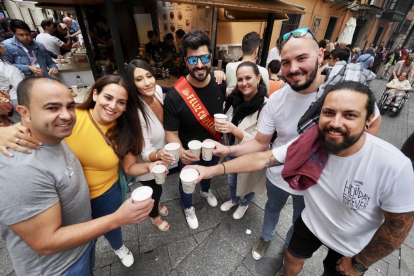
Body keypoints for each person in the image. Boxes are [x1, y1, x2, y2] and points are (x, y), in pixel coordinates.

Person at [187, 81, 414, 276]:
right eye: (328, 112)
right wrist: (211, 171)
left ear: (368, 119)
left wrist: (361, 262)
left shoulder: (394, 166)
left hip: (351, 244)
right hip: (311, 223)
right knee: (292, 259)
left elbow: (398, 227)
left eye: (350, 115)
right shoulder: (311, 143)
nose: (335, 122)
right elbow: (262, 159)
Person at [202, 27, 381, 261]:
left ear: (320, 56)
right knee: (271, 209)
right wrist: (228, 150)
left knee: (300, 221)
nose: (293, 68)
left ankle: (289, 248)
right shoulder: (276, 100)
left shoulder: (344, 91)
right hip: (278, 173)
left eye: (302, 58)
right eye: (286, 62)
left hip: (315, 183)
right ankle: (266, 238)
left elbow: (373, 122)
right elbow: (260, 144)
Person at [0, 76, 154, 275]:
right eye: (52, 108)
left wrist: (152, 165)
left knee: (104, 232)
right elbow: (45, 241)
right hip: (59, 267)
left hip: (101, 200)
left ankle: (118, 247)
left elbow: (129, 166)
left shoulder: (59, 137)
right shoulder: (22, 161)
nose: (65, 115)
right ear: (95, 94)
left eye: (69, 107)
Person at [163, 29, 226, 229]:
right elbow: (171, 132)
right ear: (184, 60)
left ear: (211, 57)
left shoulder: (220, 84)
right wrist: (180, 152)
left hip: (213, 147)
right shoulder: (174, 95)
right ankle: (188, 206)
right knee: (187, 184)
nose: (199, 65)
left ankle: (206, 191)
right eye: (193, 60)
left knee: (210, 174)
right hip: (189, 152)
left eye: (204, 58)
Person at [126, 59, 176, 231]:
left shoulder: (158, 92)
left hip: (162, 157)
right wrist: (159, 155)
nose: (147, 83)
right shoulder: (137, 112)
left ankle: (157, 204)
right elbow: (145, 152)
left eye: (149, 76)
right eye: (139, 79)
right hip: (146, 163)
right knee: (154, 189)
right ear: (133, 84)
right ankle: (154, 216)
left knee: (159, 187)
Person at [218, 61, 268, 219]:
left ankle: (244, 203)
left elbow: (259, 141)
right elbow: (214, 87)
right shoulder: (235, 97)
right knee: (232, 180)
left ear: (258, 78)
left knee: (249, 183)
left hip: (252, 155)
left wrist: (235, 130)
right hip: (233, 149)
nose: (243, 83)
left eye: (248, 78)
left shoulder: (266, 106)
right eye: (240, 79)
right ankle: (234, 199)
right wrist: (215, 73)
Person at [0, 43, 24, 124]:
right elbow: (20, 85)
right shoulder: (5, 67)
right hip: (15, 97)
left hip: (6, 99)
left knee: (16, 123)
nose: (2, 45)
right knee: (24, 123)